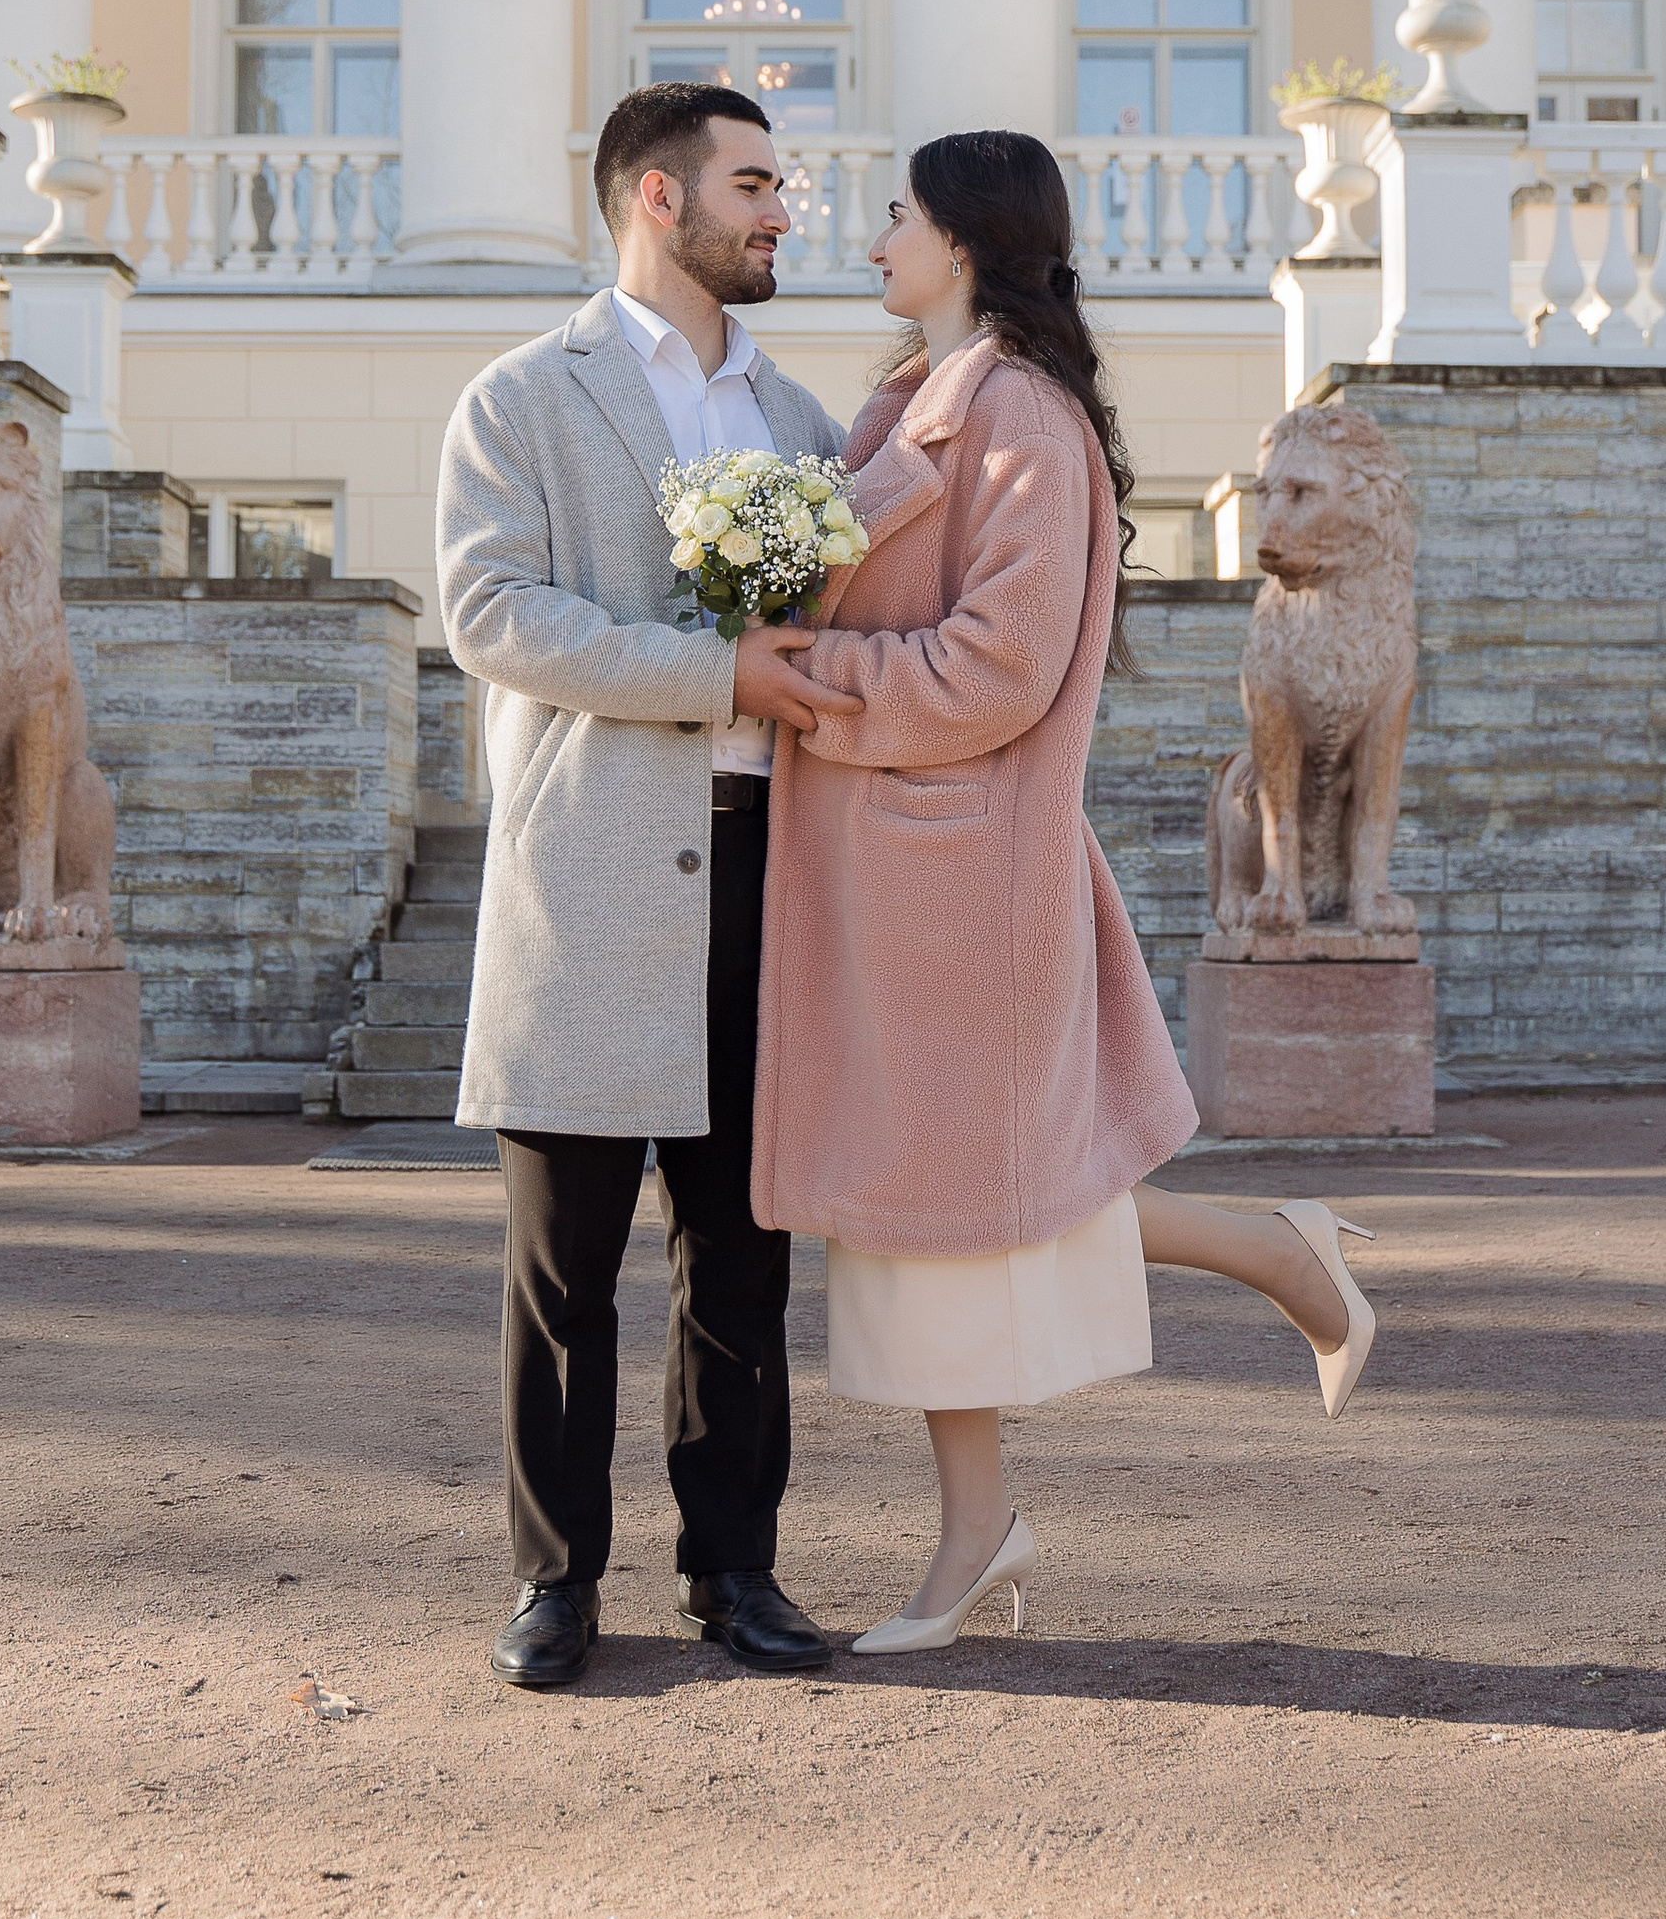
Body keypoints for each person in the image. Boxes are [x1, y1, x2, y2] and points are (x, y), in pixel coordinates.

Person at [751, 129, 1378, 1656]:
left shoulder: (1021, 418)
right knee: (940, 1213)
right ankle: (1265, 1265)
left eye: (897, 215)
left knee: (955, 1210)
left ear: (963, 241)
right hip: (888, 874)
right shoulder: (906, 406)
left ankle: (987, 1531)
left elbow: (1001, 669)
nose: (874, 236)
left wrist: (802, 674)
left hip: (958, 877)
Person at [437, 83, 861, 1692]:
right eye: (758, 184)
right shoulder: (521, 400)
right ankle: (556, 1584)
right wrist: (715, 670)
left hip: (770, 877)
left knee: (742, 1261)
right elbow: (494, 616)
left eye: (787, 184)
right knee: (563, 1271)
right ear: (656, 201)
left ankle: (734, 1571)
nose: (783, 211)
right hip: (589, 871)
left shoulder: (805, 424)